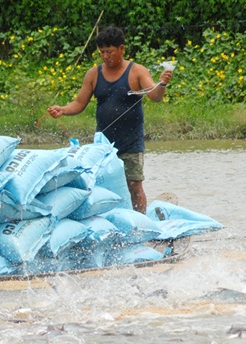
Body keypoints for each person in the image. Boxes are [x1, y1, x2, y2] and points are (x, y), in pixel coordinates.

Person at [48, 26, 172, 213]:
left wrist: (161, 84)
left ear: (121, 49)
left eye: (110, 52)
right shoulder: (93, 74)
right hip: (103, 145)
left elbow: (155, 96)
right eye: (102, 52)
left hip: (131, 143)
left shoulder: (136, 71)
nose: (105, 56)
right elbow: (79, 103)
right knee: (100, 187)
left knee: (134, 186)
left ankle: (141, 222)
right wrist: (62, 110)